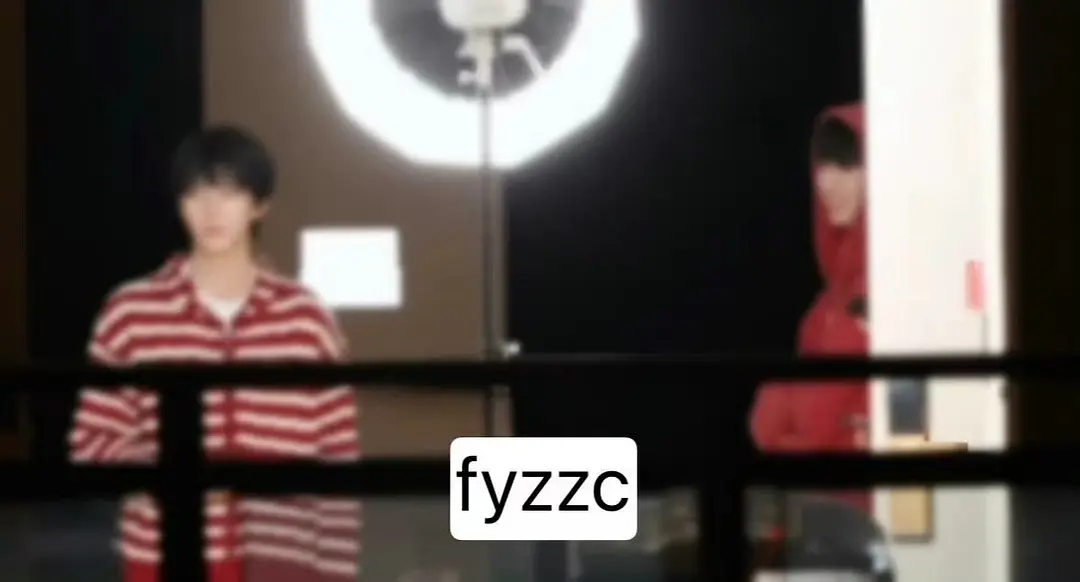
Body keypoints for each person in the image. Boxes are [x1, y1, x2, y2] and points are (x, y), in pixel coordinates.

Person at [68, 126, 361, 582]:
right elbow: (91, 443)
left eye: (229, 193)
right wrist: (171, 473)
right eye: (196, 194)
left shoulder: (306, 318)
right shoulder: (132, 311)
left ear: (259, 204)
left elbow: (339, 460)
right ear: (179, 203)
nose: (211, 210)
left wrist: (337, 572)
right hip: (164, 552)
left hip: (283, 558)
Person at [749, 103, 869, 507]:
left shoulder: (893, 291)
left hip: (868, 518)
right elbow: (766, 425)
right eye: (822, 166)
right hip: (823, 511)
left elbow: (815, 428)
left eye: (846, 166)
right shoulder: (829, 306)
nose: (825, 182)